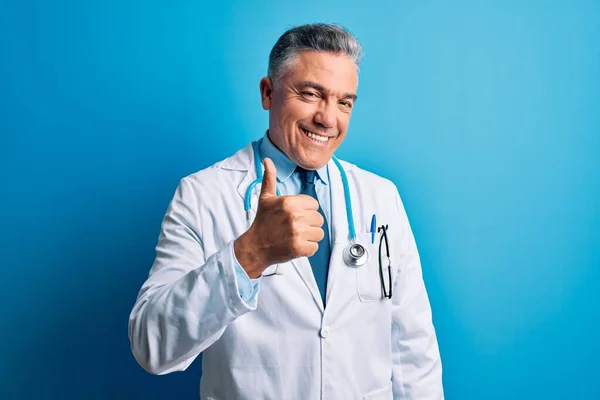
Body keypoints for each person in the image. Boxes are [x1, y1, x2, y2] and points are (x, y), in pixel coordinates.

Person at [128, 23, 444, 400]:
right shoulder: (202, 195)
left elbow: (413, 346)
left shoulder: (380, 196)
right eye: (311, 94)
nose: (328, 119)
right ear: (267, 92)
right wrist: (250, 254)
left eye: (344, 102)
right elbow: (152, 346)